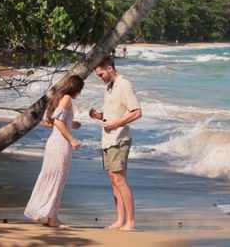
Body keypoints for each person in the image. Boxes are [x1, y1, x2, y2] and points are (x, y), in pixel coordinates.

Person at [88, 55, 142, 231]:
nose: (100, 78)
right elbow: (114, 114)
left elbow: (136, 112)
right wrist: (100, 116)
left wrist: (114, 124)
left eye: (101, 74)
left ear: (109, 68)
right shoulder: (110, 87)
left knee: (120, 179)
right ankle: (120, 220)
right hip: (108, 139)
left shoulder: (124, 84)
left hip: (119, 139)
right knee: (113, 180)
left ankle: (131, 223)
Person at [24, 75, 84, 229]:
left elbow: (48, 121)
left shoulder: (58, 98)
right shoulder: (67, 99)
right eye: (80, 89)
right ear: (76, 88)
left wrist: (70, 123)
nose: (80, 93)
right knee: (57, 180)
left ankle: (45, 214)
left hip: (53, 143)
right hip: (61, 144)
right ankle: (52, 218)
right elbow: (57, 121)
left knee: (50, 177)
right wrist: (72, 139)